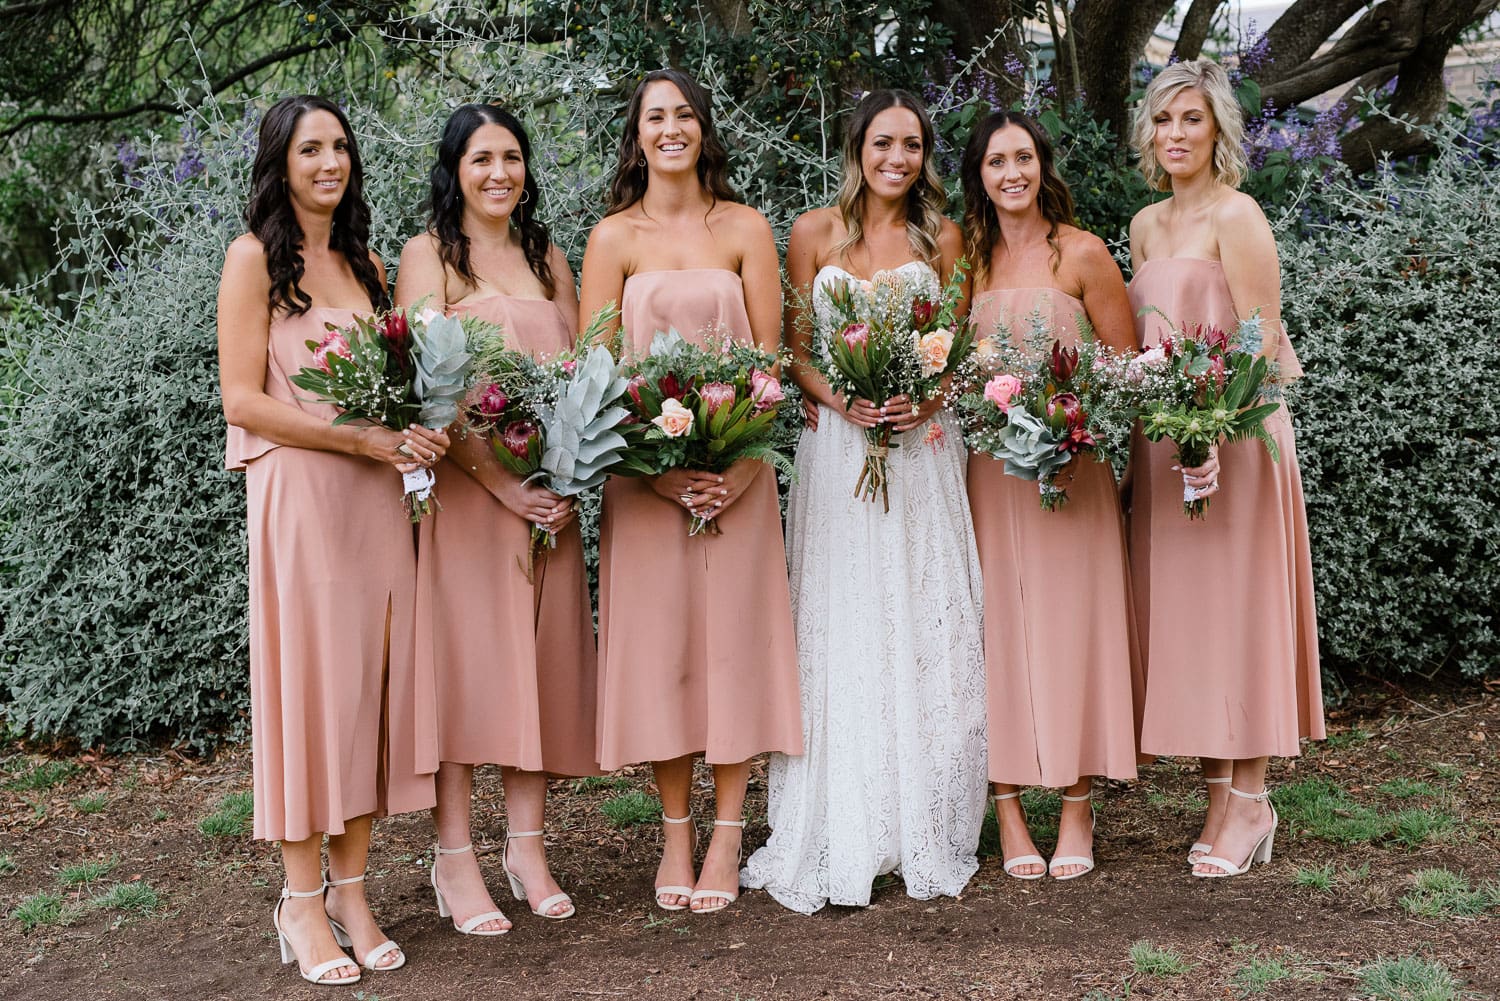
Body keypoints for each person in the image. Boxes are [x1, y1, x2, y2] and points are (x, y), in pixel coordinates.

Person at [217, 95, 447, 985]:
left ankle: (353, 892)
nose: (331, 161)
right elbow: (242, 399)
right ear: (279, 162)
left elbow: (390, 394)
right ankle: (301, 904)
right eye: (311, 147)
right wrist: (358, 438)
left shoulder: (367, 263)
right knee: (312, 695)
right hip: (302, 498)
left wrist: (414, 433)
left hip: (377, 504)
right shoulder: (252, 262)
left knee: (366, 695)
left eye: (342, 146)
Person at [739, 89, 987, 913]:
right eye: (884, 143)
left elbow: (956, 346)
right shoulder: (811, 233)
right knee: (842, 619)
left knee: (921, 615)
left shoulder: (944, 237)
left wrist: (925, 398)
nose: (898, 159)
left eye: (912, 145)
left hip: (918, 450)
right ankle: (843, 812)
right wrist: (844, 402)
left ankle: (923, 810)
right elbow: (795, 348)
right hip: (839, 452)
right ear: (857, 147)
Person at [578, 68, 803, 914]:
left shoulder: (745, 227)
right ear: (636, 135)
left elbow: (772, 367)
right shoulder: (611, 239)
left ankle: (728, 832)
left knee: (733, 649)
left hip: (736, 479)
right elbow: (593, 374)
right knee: (664, 653)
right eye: (654, 117)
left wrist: (742, 470)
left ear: (704, 128)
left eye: (683, 115)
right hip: (647, 484)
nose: (670, 128)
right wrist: (659, 473)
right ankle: (675, 829)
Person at [395, 103, 596, 933]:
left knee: (540, 668)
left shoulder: (550, 256)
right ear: (454, 169)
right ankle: (452, 860)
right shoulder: (427, 257)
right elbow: (425, 395)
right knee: (469, 671)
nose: (499, 174)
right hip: (471, 499)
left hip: (547, 496)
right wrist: (500, 484)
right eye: (481, 159)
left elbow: (588, 373)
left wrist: (567, 475)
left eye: (512, 158)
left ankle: (526, 846)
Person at [1125, 58, 1324, 877]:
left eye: (1191, 121)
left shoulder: (1237, 216)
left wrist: (1216, 428)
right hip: (1168, 447)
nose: (1176, 135)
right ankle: (1219, 795)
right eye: (1164, 121)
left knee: (1237, 614)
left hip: (1235, 438)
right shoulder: (1144, 225)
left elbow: (1259, 337)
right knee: (1193, 620)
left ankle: (1249, 799)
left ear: (1218, 132)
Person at [959, 110, 1143, 880]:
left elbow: (1128, 368)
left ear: (1044, 166)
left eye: (1024, 157)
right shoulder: (966, 258)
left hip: (1073, 471)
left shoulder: (1084, 253)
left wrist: (1080, 432)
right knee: (992, 630)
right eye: (997, 160)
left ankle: (1075, 804)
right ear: (978, 174)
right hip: (988, 473)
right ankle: (1006, 811)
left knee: (1073, 630)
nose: (1012, 173)